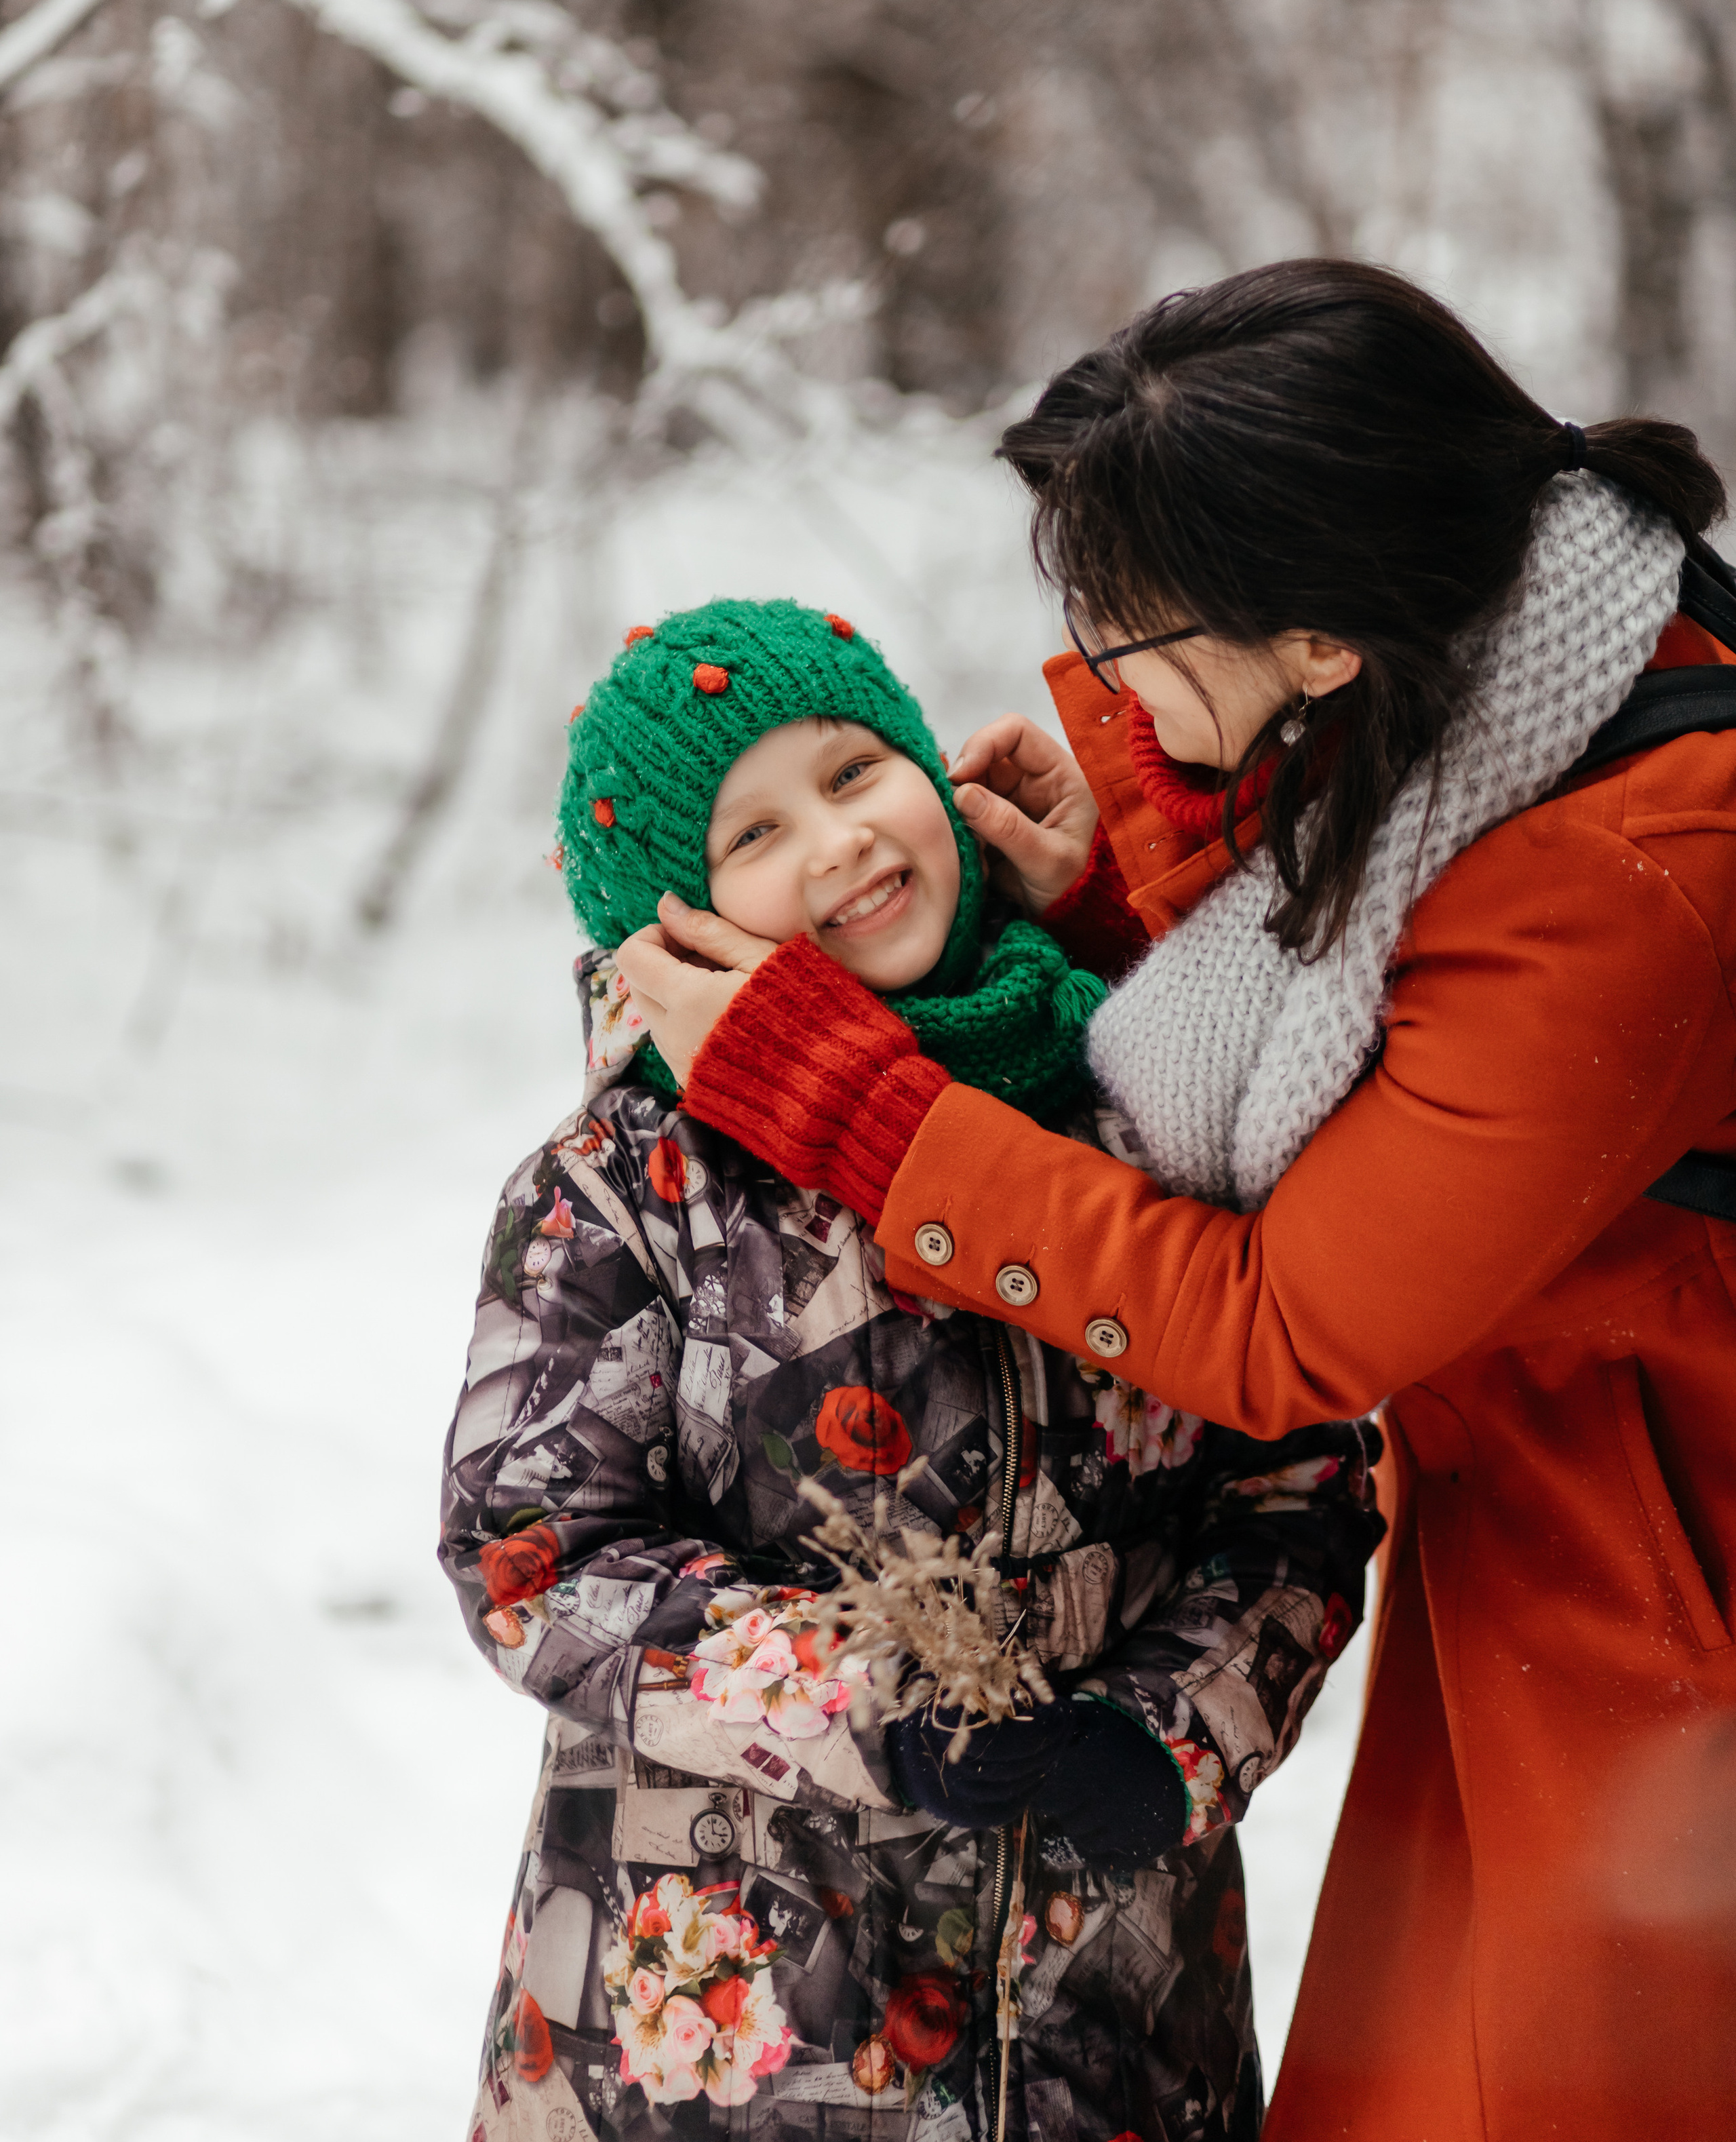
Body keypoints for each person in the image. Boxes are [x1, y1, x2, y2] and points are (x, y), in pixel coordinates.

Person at [614, 265, 1736, 2142]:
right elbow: (1377, 1030)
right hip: (1568, 1529)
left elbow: (1287, 1321)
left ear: (1315, 644)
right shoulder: (1510, 645)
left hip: (1669, 1574)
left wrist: (854, 1107)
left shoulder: (1633, 868)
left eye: (1134, 637)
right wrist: (1136, 896)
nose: (1104, 683)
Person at [440, 597, 1381, 2142]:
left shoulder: (1134, 1105)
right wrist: (881, 1705)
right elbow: (533, 1554)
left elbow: (1296, 1464)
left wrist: (1172, 1733)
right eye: (751, 835)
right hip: (729, 2037)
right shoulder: (629, 1185)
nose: (837, 842)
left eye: (857, 769)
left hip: (1112, 2010)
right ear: (674, 925)